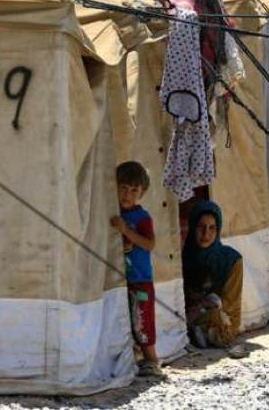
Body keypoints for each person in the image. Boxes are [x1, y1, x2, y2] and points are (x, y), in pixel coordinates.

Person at [109, 161, 161, 376]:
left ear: (142, 192)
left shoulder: (142, 218)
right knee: (129, 319)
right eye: (123, 188)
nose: (127, 195)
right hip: (123, 279)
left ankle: (153, 360)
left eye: (134, 190)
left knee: (143, 319)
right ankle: (137, 357)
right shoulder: (114, 212)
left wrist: (126, 231)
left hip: (141, 278)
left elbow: (149, 244)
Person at [182, 200, 243, 348]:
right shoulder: (183, 258)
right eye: (201, 227)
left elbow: (230, 305)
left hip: (220, 315)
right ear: (192, 228)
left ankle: (202, 331)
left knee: (219, 321)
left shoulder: (231, 260)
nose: (206, 234)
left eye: (212, 228)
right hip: (190, 314)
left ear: (218, 230)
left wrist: (204, 307)